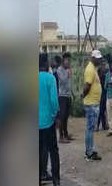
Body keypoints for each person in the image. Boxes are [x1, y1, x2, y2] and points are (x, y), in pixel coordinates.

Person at [39, 53, 60, 186]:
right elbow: (54, 100)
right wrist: (55, 116)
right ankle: (56, 180)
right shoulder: (50, 78)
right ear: (46, 64)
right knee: (53, 151)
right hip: (48, 123)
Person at [83, 50, 103, 161]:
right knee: (90, 129)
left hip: (93, 103)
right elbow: (87, 86)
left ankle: (89, 150)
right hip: (91, 104)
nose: (99, 60)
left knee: (90, 128)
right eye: (98, 58)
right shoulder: (90, 69)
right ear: (93, 58)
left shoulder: (92, 68)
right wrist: (83, 95)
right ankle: (89, 153)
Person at [57, 52, 73, 143]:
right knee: (61, 117)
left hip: (68, 96)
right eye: (68, 60)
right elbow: (63, 81)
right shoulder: (60, 70)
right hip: (62, 96)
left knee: (66, 116)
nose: (69, 62)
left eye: (70, 60)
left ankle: (66, 134)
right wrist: (68, 72)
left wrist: (72, 93)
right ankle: (61, 137)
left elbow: (69, 83)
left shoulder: (68, 70)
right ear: (63, 60)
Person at [96, 57, 109, 131]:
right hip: (100, 92)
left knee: (104, 110)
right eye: (102, 63)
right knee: (100, 110)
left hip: (105, 92)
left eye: (104, 63)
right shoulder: (99, 71)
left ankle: (104, 126)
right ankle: (98, 126)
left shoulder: (107, 71)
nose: (103, 65)